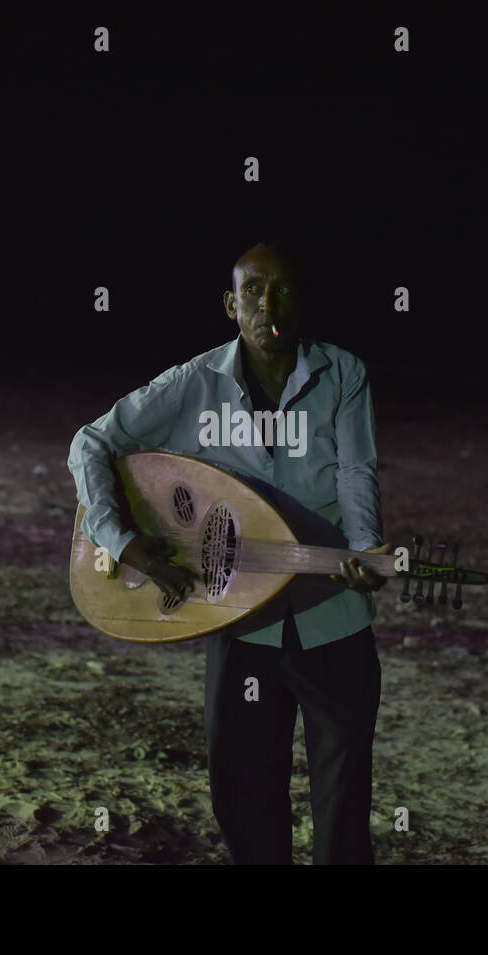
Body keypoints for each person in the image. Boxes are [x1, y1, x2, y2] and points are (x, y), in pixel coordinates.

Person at [67, 242, 390, 864]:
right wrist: (126, 543)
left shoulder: (343, 374)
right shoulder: (194, 384)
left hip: (336, 621)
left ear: (305, 302)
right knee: (244, 799)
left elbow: (355, 471)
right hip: (240, 622)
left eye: (285, 290)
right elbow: (91, 443)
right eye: (253, 290)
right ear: (230, 303)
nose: (269, 304)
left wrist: (362, 550)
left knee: (344, 806)